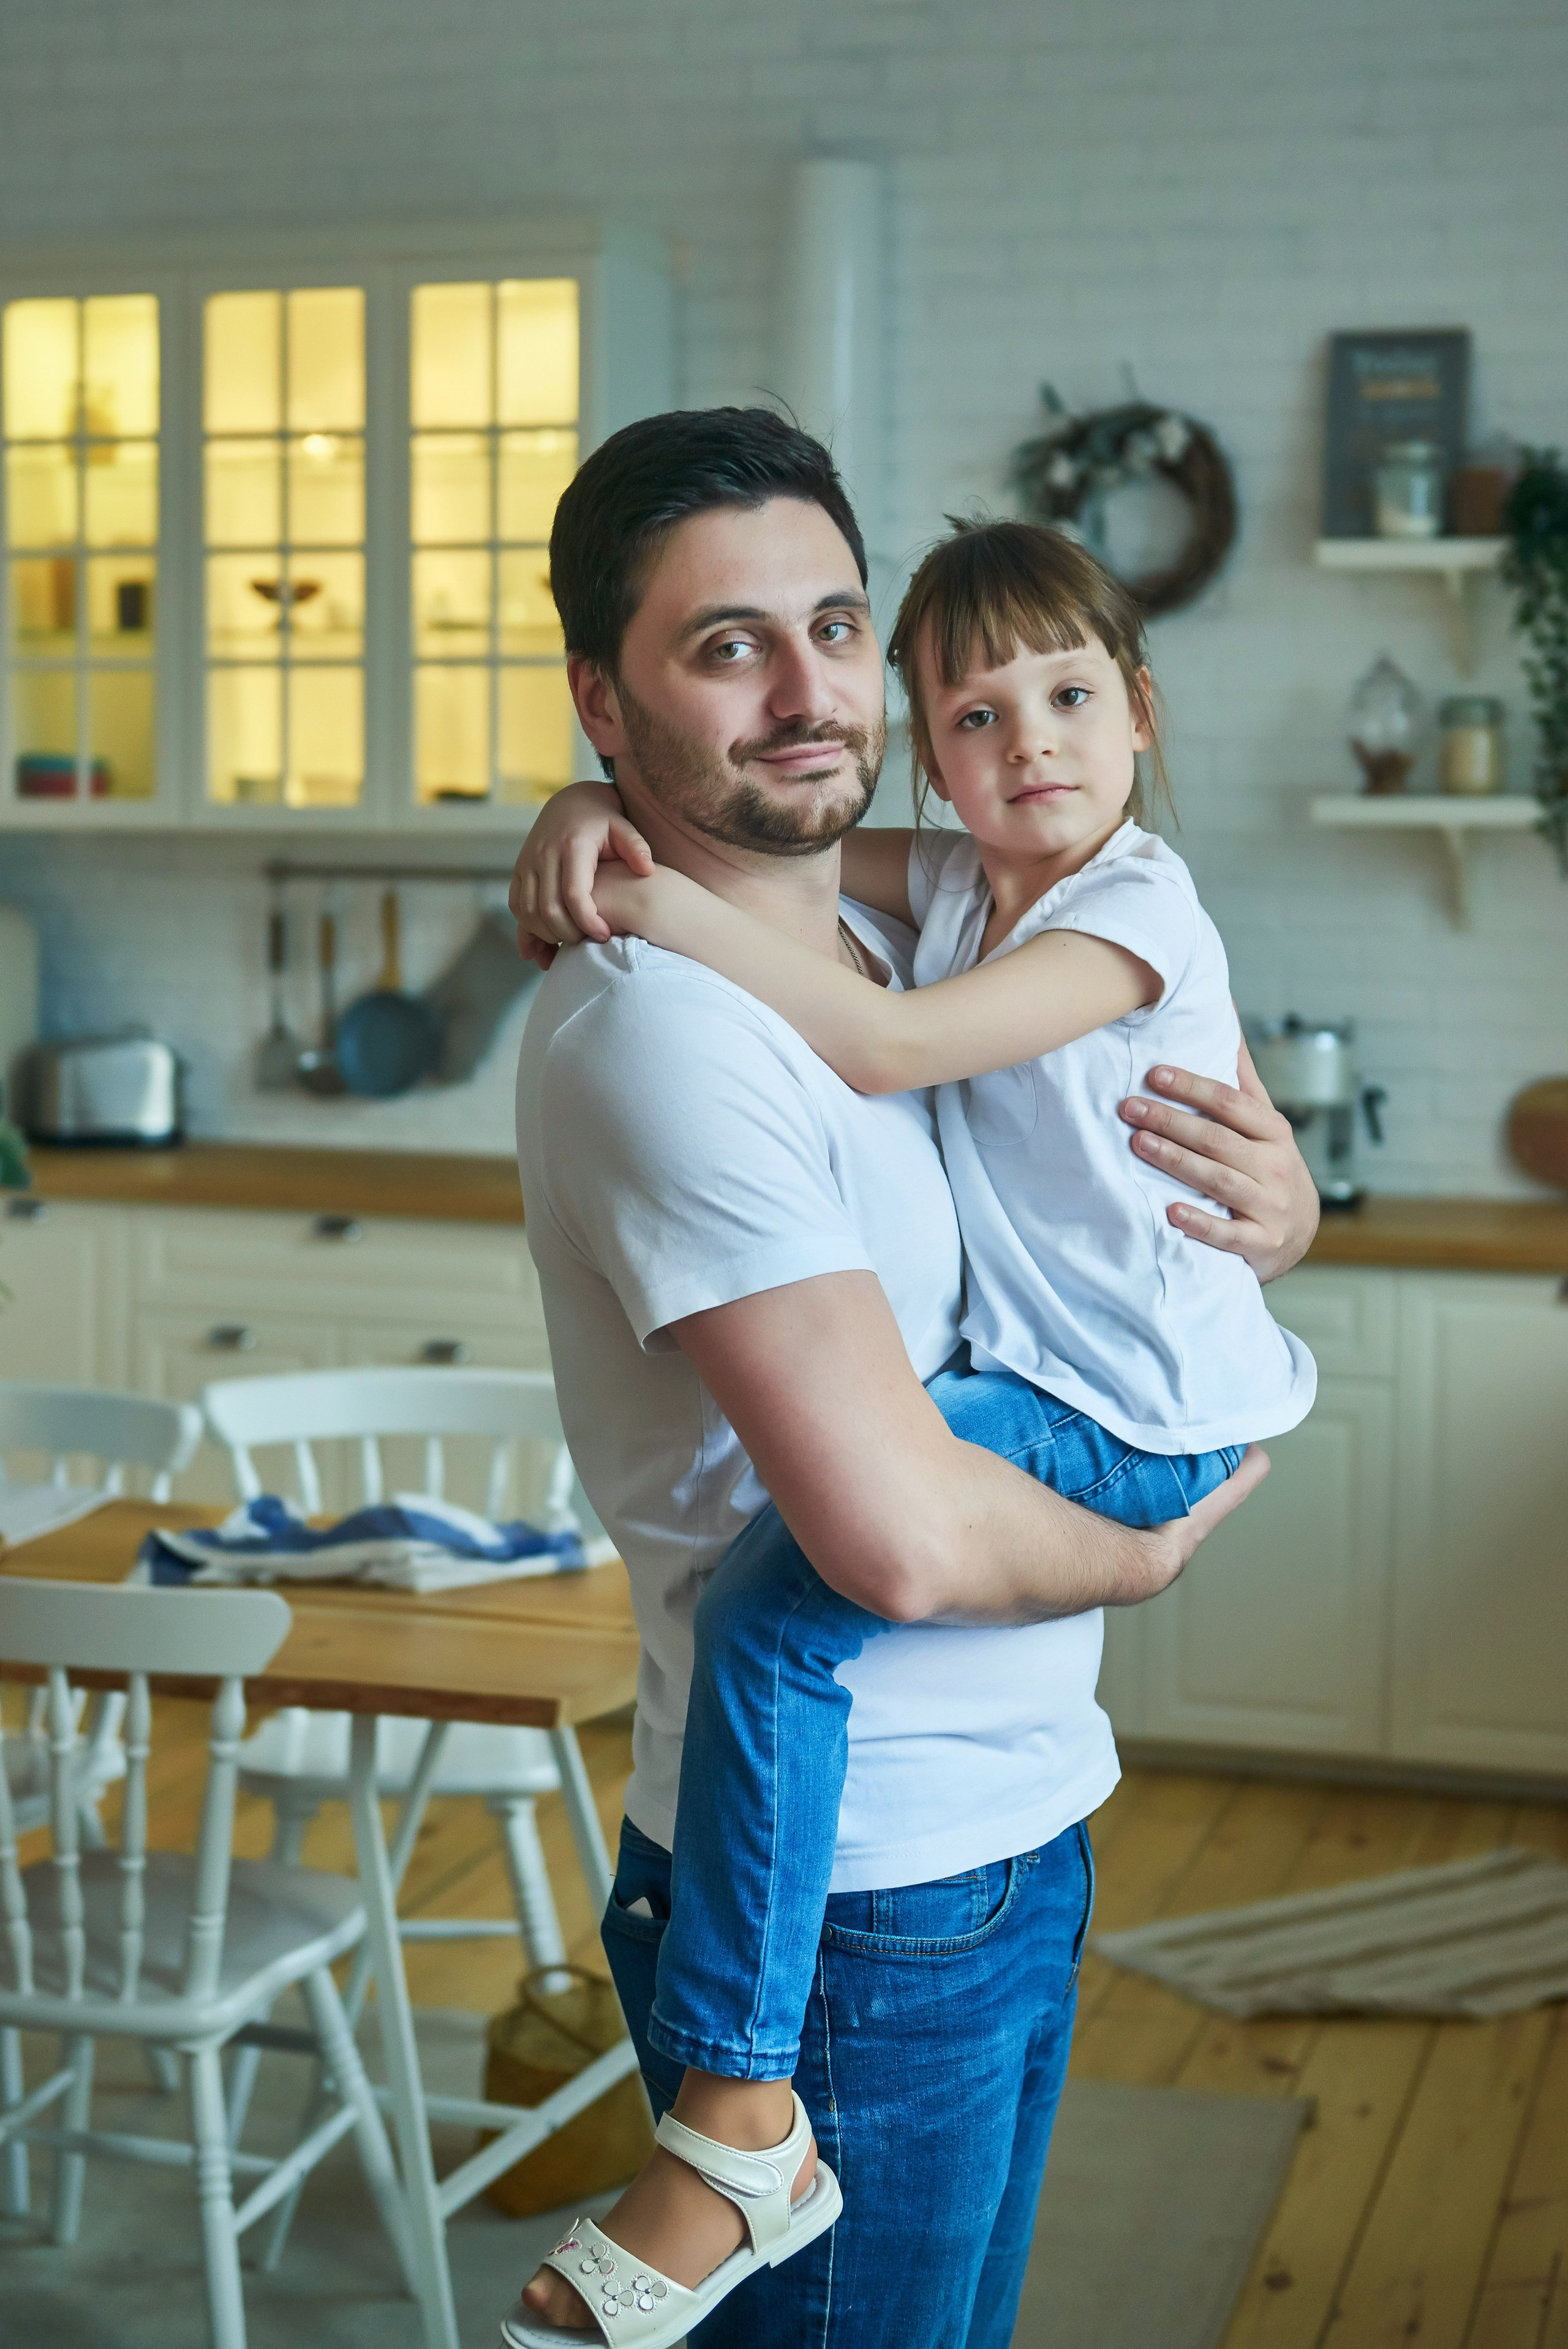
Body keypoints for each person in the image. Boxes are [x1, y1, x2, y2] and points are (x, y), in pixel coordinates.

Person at [504, 409, 1319, 2349]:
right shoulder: (673, 1042)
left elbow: (1087, 1144)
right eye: (726, 646)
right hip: (853, 1901)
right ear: (604, 703)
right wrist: (1141, 1558)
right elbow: (898, 1544)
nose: (810, 695)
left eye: (840, 628)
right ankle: (729, 2117)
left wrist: (1279, 1203)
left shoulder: (904, 916)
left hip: (1007, 1825)